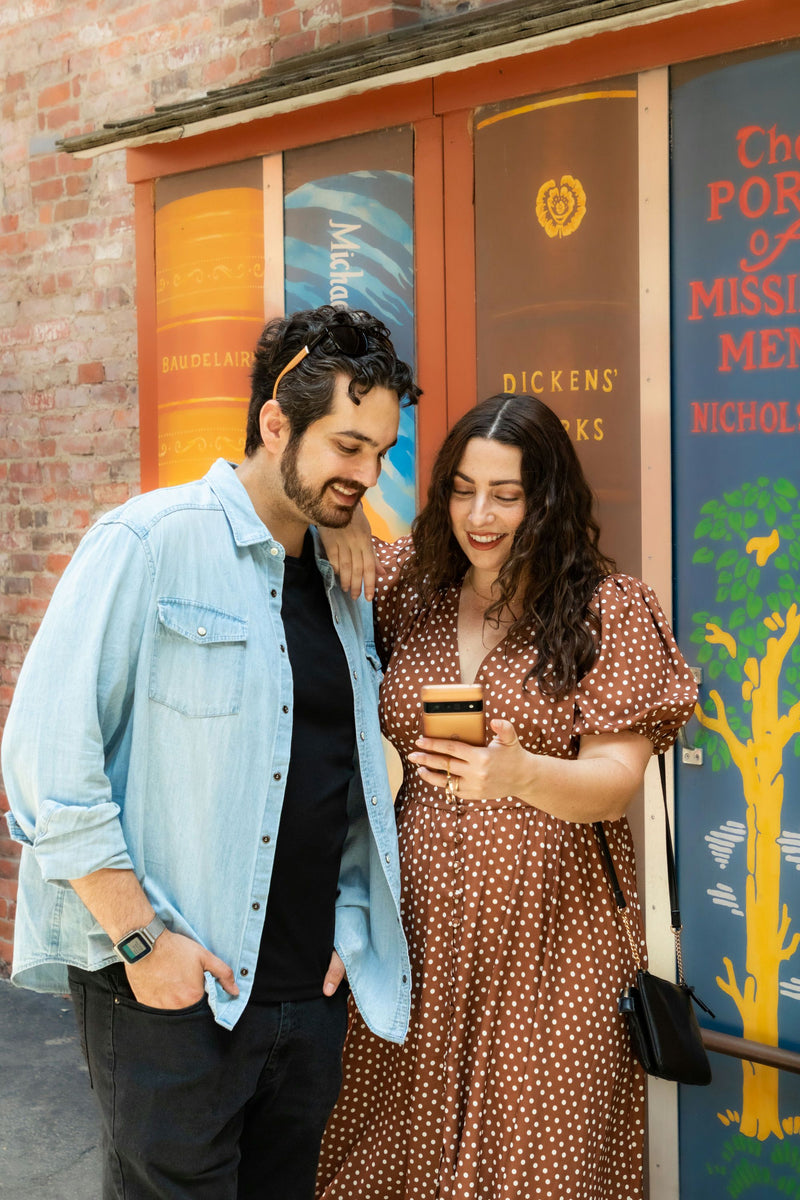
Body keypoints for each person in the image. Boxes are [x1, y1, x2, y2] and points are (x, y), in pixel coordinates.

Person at [1, 305, 420, 1200]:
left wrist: (347, 925)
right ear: (277, 423)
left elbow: (343, 779)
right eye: (348, 447)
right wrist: (142, 940)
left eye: (380, 452)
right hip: (171, 999)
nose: (367, 474)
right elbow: (44, 764)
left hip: (307, 1002)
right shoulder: (148, 542)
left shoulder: (343, 581)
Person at [314, 392, 698, 1199]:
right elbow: (302, 532)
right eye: (461, 488)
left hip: (553, 946)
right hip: (416, 937)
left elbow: (613, 785)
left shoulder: (608, 608)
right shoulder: (408, 588)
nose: (479, 515)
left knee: (537, 1172)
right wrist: (343, 522)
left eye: (507, 494)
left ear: (548, 499)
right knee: (391, 1162)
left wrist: (521, 774)